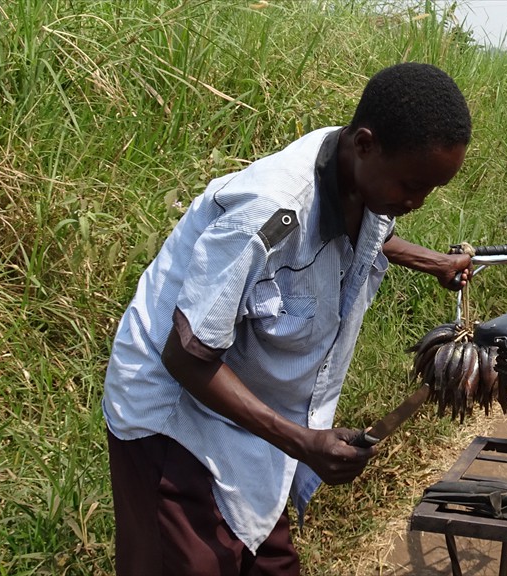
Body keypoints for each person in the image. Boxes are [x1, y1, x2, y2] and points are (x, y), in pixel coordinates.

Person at [102, 62, 473, 575]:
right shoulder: (271, 207)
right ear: (364, 144)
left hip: (248, 417)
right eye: (411, 186)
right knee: (190, 562)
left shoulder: (359, 174)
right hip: (176, 415)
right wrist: (302, 442)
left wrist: (430, 261)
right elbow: (186, 354)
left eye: (429, 191)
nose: (415, 202)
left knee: (268, 558)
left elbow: (369, 228)